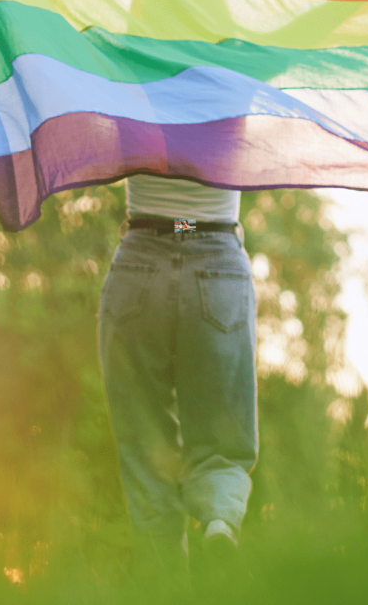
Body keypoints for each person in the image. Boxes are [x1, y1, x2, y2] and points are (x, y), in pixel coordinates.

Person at [99, 171, 256, 576]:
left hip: (141, 256)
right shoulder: (235, 102)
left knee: (145, 447)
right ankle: (220, 516)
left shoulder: (133, 101)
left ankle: (162, 585)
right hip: (216, 251)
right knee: (222, 438)